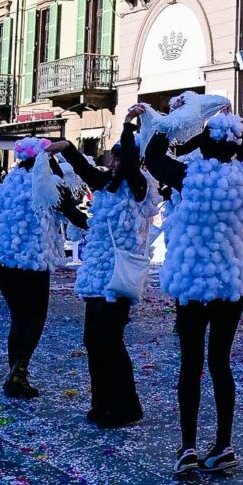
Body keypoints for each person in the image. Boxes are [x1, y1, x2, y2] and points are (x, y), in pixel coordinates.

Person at [142, 109, 243, 478]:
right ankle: (224, 444)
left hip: (194, 281)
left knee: (191, 364)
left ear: (204, 147)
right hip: (230, 282)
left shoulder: (188, 176)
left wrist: (182, 120)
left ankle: (188, 446)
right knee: (220, 363)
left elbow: (153, 155)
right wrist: (224, 136)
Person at [60, 125, 154, 428]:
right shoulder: (107, 184)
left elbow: (128, 164)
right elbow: (86, 171)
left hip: (119, 275)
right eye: (111, 158)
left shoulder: (140, 187)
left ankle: (126, 406)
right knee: (93, 340)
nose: (112, 163)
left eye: (117, 158)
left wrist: (128, 128)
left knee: (111, 341)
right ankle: (101, 401)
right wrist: (65, 149)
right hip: (97, 275)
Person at [0, 139, 82, 398]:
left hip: (3, 260)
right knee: (35, 316)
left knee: (18, 318)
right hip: (33, 261)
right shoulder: (48, 184)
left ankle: (14, 373)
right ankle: (19, 372)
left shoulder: (10, 182)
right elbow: (72, 212)